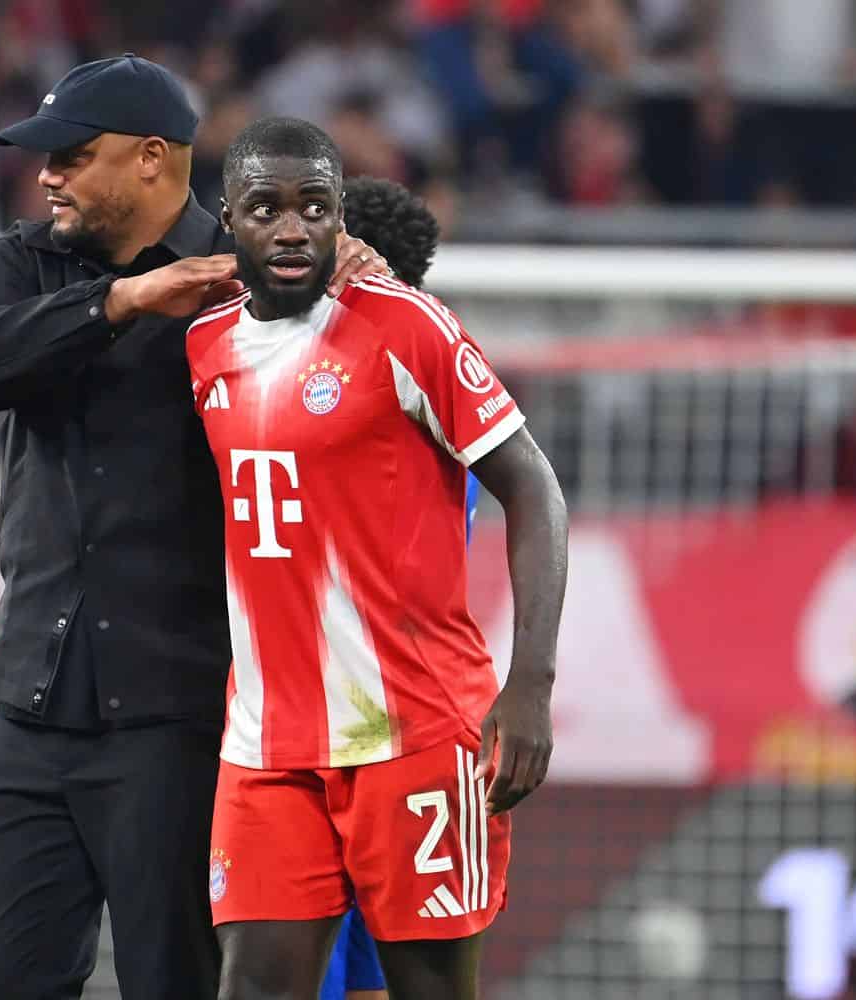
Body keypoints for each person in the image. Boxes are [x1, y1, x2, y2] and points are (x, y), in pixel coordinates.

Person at [0, 54, 390, 1000]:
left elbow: (358, 396)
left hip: (178, 717)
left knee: (175, 982)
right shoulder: (27, 260)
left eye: (72, 155)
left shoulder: (253, 276)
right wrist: (121, 301)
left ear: (150, 158)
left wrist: (360, 279)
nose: (47, 176)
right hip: (30, 710)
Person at [189, 117, 567, 999]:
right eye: (267, 208)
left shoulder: (406, 325)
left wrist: (532, 682)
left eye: (315, 207)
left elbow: (536, 490)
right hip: (267, 742)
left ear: (340, 217)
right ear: (229, 218)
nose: (293, 228)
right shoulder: (204, 344)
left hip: (416, 733)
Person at [317, 175, 475, 1000]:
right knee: (382, 973)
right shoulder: (448, 389)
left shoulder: (334, 401)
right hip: (414, 718)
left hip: (323, 721)